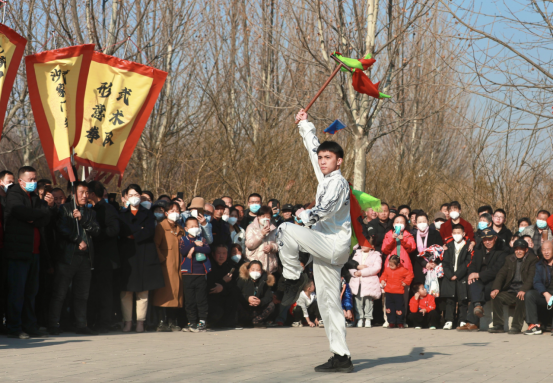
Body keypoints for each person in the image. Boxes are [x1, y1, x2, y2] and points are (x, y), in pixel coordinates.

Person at [277, 110, 353, 373]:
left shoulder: (339, 183)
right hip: (325, 248)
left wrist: (305, 215)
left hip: (332, 245)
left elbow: (328, 208)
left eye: (327, 158)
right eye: (321, 158)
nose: (322, 161)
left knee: (285, 229)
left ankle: (291, 277)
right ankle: (342, 356)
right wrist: (305, 124)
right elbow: (312, 149)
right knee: (329, 303)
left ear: (339, 161)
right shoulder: (325, 176)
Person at [4, 166, 52, 339]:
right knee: (17, 292)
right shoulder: (14, 194)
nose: (33, 183)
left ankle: (30, 326)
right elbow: (19, 211)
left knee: (31, 292)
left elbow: (46, 215)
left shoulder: (34, 197)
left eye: (35, 179)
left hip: (35, 252)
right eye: (30, 179)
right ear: (20, 180)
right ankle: (14, 327)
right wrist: (36, 215)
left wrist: (35, 216)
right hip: (19, 251)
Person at [48, 181, 100, 336]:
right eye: (81, 192)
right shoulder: (65, 209)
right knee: (60, 292)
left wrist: (82, 219)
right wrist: (78, 240)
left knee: (82, 293)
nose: (85, 196)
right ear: (73, 193)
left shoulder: (90, 212)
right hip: (68, 257)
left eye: (87, 192)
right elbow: (62, 229)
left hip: (85, 258)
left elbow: (96, 230)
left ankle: (81, 324)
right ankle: (53, 323)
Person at [118, 184, 165, 333]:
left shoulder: (148, 214)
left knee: (143, 291)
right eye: (130, 195)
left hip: (145, 254)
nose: (134, 198)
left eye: (136, 195)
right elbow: (122, 231)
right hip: (128, 255)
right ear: (125, 197)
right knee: (126, 291)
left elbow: (149, 232)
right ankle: (127, 321)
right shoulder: (122, 214)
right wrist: (139, 230)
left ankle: (140, 322)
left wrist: (133, 234)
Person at [86, 181, 120, 334]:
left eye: (87, 192)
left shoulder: (107, 209)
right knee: (94, 291)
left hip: (105, 258)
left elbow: (114, 230)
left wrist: (97, 234)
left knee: (105, 292)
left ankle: (105, 322)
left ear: (92, 194)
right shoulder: (91, 209)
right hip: (94, 257)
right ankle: (93, 320)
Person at [458, 228, 507, 331]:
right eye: (485, 240)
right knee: (474, 284)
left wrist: (478, 275)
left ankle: (472, 321)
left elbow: (496, 270)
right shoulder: (479, 249)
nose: (487, 242)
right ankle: (477, 308)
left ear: (495, 238)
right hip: (480, 281)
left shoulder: (502, 251)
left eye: (490, 239)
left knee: (479, 291)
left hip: (495, 281)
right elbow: (473, 265)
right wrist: (472, 274)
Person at [488, 238, 537, 335]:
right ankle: (498, 325)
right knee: (496, 297)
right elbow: (501, 274)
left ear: (526, 249)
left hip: (524, 290)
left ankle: (516, 326)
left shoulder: (532, 259)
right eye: (516, 249)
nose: (518, 251)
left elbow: (531, 277)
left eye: (521, 249)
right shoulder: (509, 258)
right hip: (511, 290)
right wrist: (496, 288)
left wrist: (523, 289)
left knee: (522, 297)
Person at [153, 201, 185, 332]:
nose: (175, 214)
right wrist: (162, 259)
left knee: (176, 294)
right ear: (166, 213)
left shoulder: (181, 229)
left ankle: (173, 321)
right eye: (172, 211)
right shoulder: (161, 227)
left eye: (177, 211)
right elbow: (155, 245)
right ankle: (162, 321)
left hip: (179, 267)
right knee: (164, 294)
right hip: (165, 266)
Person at [179, 216, 212, 333]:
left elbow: (207, 250)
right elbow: (183, 251)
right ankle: (191, 322)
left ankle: (202, 321)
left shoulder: (202, 239)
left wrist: (195, 249)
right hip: (188, 274)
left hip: (201, 273)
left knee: (201, 299)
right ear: (186, 228)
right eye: (192, 226)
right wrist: (193, 246)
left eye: (196, 226)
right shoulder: (183, 239)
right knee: (190, 300)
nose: (195, 228)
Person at [349, 229, 382, 328]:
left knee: (368, 301)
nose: (363, 245)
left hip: (369, 282)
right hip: (357, 282)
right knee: (358, 301)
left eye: (365, 243)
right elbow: (351, 266)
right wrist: (355, 273)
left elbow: (376, 268)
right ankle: (359, 318)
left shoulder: (376, 255)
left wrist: (362, 272)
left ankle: (368, 318)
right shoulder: (356, 254)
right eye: (362, 243)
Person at [441, 224, 470, 330]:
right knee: (450, 300)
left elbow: (468, 261)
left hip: (462, 277)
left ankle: (462, 320)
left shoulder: (468, 246)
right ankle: (449, 320)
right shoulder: (448, 245)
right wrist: (450, 275)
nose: (457, 235)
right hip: (449, 277)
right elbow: (445, 262)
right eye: (455, 233)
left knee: (463, 299)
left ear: (464, 234)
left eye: (459, 233)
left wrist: (457, 274)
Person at [207, 244, 240, 328]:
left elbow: (233, 283)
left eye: (224, 253)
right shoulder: (209, 266)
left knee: (234, 293)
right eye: (219, 253)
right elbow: (210, 286)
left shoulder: (229, 266)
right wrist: (223, 282)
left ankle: (229, 323)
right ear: (213, 254)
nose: (221, 256)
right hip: (211, 299)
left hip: (224, 296)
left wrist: (222, 286)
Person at [524, 241, 553, 335]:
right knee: (530, 295)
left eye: (548, 249)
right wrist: (545, 293)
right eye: (544, 249)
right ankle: (534, 325)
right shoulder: (539, 265)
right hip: (546, 294)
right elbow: (537, 282)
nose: (546, 252)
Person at [235, 260, 275, 328]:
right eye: (253, 269)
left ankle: (256, 321)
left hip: (257, 309)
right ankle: (240, 321)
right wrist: (247, 298)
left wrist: (260, 302)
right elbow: (236, 293)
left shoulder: (265, 281)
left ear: (261, 271)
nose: (255, 272)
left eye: (258, 270)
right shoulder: (242, 279)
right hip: (244, 308)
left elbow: (268, 297)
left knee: (271, 305)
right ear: (248, 270)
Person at [380, 255, 414, 329]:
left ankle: (400, 322)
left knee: (399, 308)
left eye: (392, 265)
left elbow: (410, 275)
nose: (390, 266)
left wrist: (406, 282)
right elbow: (383, 276)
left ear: (398, 265)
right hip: (388, 292)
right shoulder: (387, 269)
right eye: (390, 264)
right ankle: (391, 322)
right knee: (389, 308)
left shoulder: (402, 270)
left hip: (398, 292)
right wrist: (382, 280)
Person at [245, 205, 279, 274]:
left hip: (270, 266)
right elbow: (249, 245)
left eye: (268, 217)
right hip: (255, 265)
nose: (265, 218)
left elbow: (279, 245)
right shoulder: (251, 228)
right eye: (263, 216)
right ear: (258, 217)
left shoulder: (274, 229)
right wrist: (261, 234)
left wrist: (272, 247)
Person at [411, 212, 443, 285]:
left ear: (428, 221)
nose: (422, 223)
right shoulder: (413, 236)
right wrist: (424, 263)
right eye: (420, 222)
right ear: (416, 223)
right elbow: (414, 253)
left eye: (424, 221)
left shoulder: (435, 234)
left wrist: (434, 262)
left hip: (433, 266)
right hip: (419, 266)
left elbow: (439, 249)